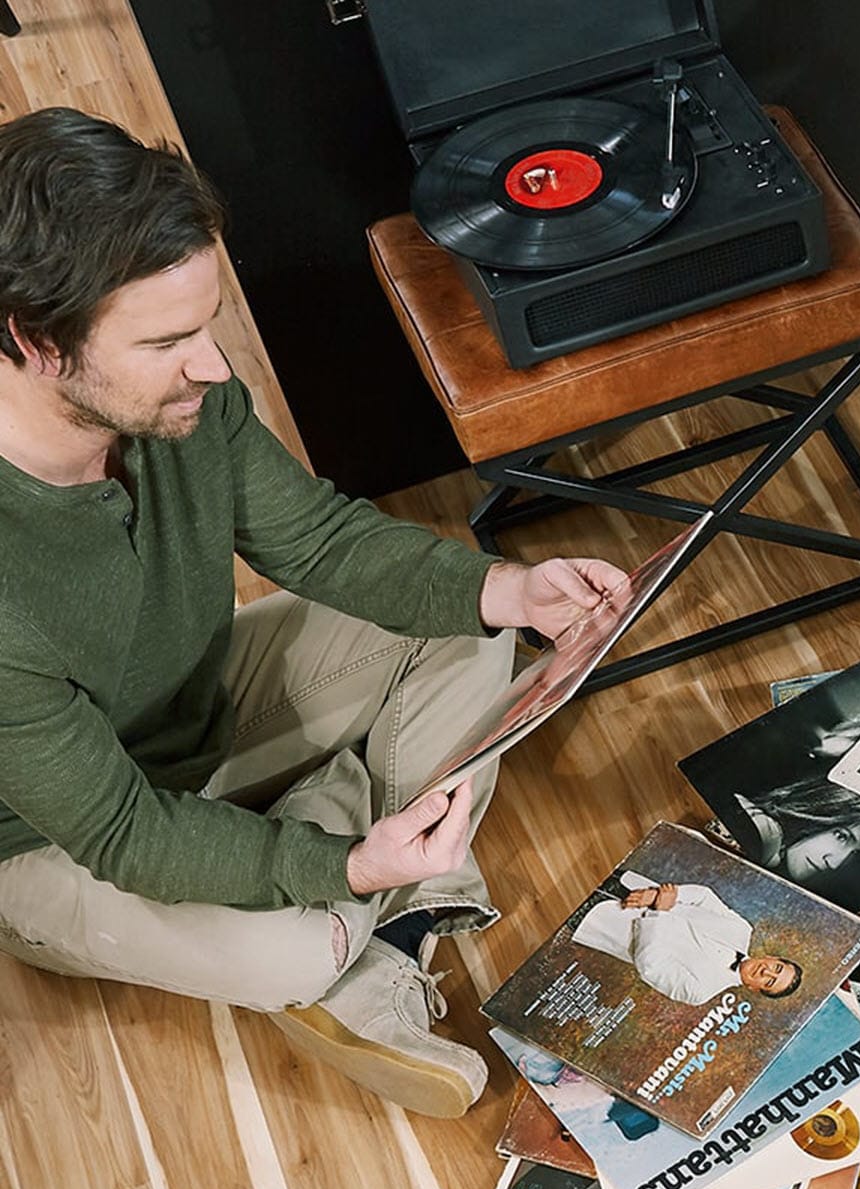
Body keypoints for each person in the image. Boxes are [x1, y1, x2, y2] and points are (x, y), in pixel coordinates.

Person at [0, 108, 627, 1116]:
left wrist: (507, 591)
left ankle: (367, 898)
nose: (211, 364)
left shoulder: (167, 394)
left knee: (475, 623)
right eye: (168, 340)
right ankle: (381, 911)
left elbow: (321, 542)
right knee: (288, 945)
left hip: (194, 709)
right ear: (38, 344)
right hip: (54, 841)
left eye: (208, 323)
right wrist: (337, 858)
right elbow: (119, 827)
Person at [570, 877, 802, 1007]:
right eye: (777, 968)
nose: (767, 971)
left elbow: (651, 965)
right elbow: (704, 896)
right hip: (628, 883)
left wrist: (660, 911)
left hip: (600, 918)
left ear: (755, 988)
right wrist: (658, 895)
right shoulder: (742, 929)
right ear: (772, 958)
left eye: (769, 981)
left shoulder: (700, 992)